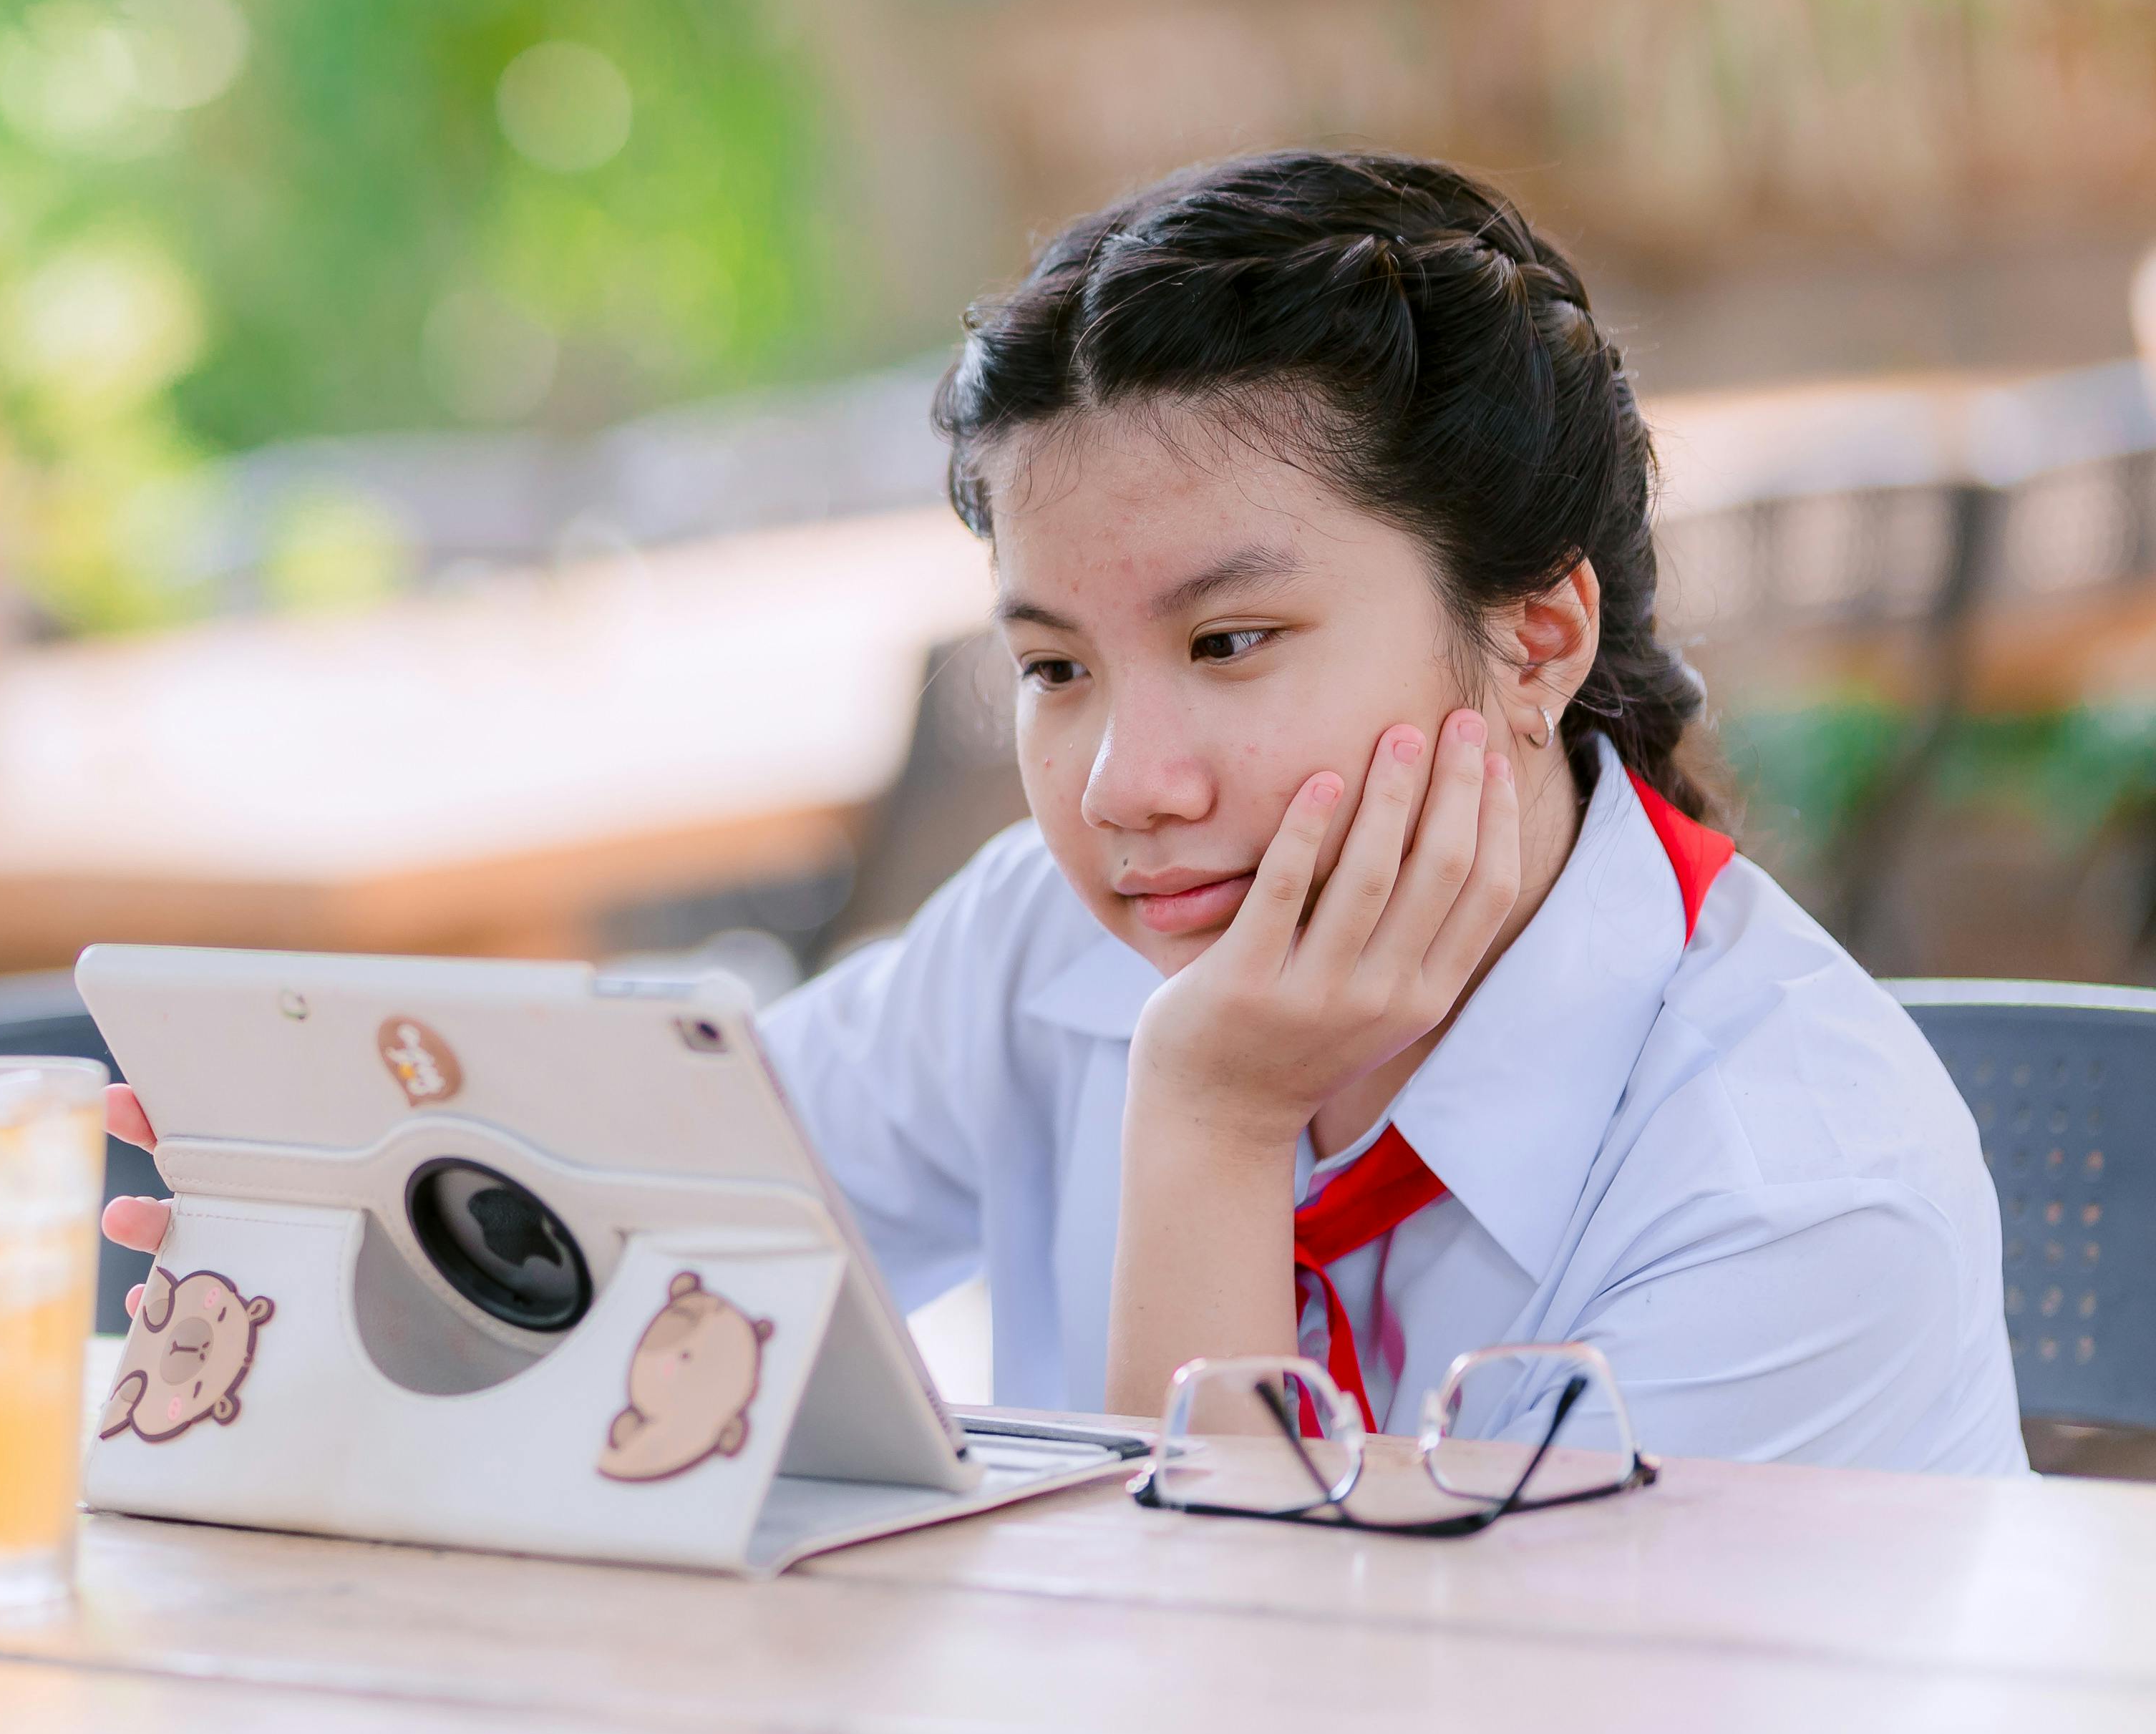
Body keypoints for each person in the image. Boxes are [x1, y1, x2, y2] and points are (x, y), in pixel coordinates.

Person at [105, 150, 2024, 1475]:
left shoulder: (1784, 1195)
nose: (1125, 787)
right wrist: (357, 1232)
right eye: (1053, 668)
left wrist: (1214, 1119)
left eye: (1232, 641)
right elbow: (667, 1230)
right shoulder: (1050, 941)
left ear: (1535, 640)